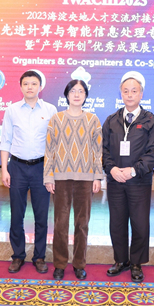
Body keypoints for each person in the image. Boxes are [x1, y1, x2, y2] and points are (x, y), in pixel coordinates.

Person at [44, 80, 104, 281]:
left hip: (85, 180)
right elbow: (49, 150)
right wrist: (48, 176)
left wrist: (97, 177)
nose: (77, 95)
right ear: (67, 95)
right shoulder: (56, 119)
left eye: (81, 91)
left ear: (86, 95)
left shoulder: (93, 120)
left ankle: (79, 264)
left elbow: (98, 151)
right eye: (73, 91)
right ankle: (60, 264)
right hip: (60, 179)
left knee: (82, 224)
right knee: (60, 224)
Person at [102, 76, 154, 283]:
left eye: (134, 91)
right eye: (126, 91)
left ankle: (136, 263)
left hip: (139, 181)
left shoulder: (149, 120)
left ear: (141, 94)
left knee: (140, 224)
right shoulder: (111, 120)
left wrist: (134, 170)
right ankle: (120, 260)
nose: (129, 94)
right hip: (115, 180)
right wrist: (112, 169)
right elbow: (103, 149)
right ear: (121, 93)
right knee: (117, 223)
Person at [0, 70, 57, 274]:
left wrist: (51, 172)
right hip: (17, 167)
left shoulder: (50, 109)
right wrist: (4, 169)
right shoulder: (12, 110)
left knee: (41, 215)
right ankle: (18, 255)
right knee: (17, 214)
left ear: (40, 87)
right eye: (26, 84)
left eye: (34, 84)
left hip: (41, 167)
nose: (30, 87)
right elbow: (6, 140)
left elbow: (54, 143)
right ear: (21, 86)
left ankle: (39, 256)